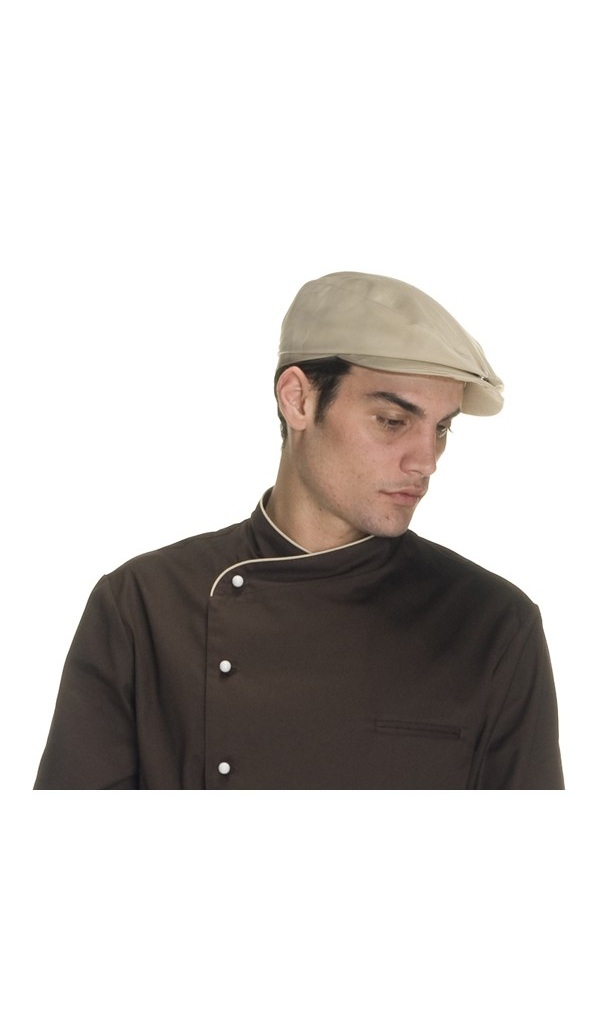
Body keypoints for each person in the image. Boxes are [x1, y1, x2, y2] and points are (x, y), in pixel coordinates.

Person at [35, 271, 564, 789]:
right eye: (392, 421)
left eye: (442, 427)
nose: (426, 461)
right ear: (298, 400)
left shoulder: (493, 627)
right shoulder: (145, 608)